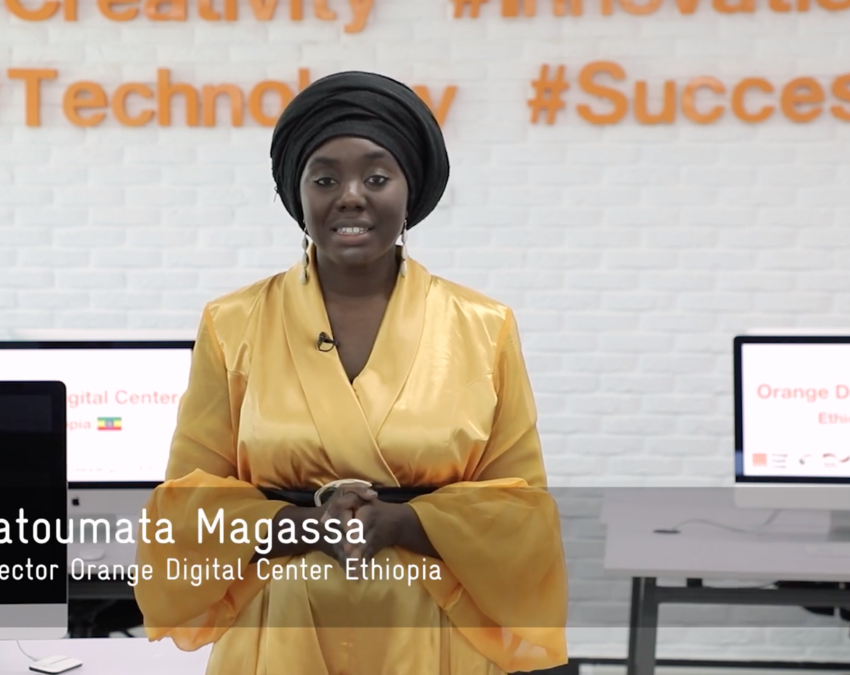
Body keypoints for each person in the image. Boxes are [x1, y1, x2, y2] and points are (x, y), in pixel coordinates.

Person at [134, 70, 568, 675]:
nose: (351, 196)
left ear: (410, 193)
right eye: (325, 179)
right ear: (298, 195)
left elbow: (522, 515)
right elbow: (186, 509)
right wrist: (304, 525)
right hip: (279, 633)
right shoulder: (231, 323)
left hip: (434, 636)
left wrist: (402, 521)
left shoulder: (483, 326)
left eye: (377, 177)